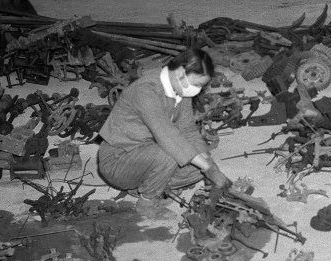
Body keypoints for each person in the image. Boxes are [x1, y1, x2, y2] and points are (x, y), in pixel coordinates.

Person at [97, 48, 231, 210]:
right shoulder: (145, 91)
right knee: (172, 153)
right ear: (180, 73)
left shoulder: (180, 89)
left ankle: (151, 182)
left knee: (198, 167)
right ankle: (146, 200)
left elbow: (188, 130)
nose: (197, 90)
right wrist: (208, 168)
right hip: (118, 160)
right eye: (196, 84)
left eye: (201, 86)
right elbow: (168, 137)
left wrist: (210, 166)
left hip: (148, 152)